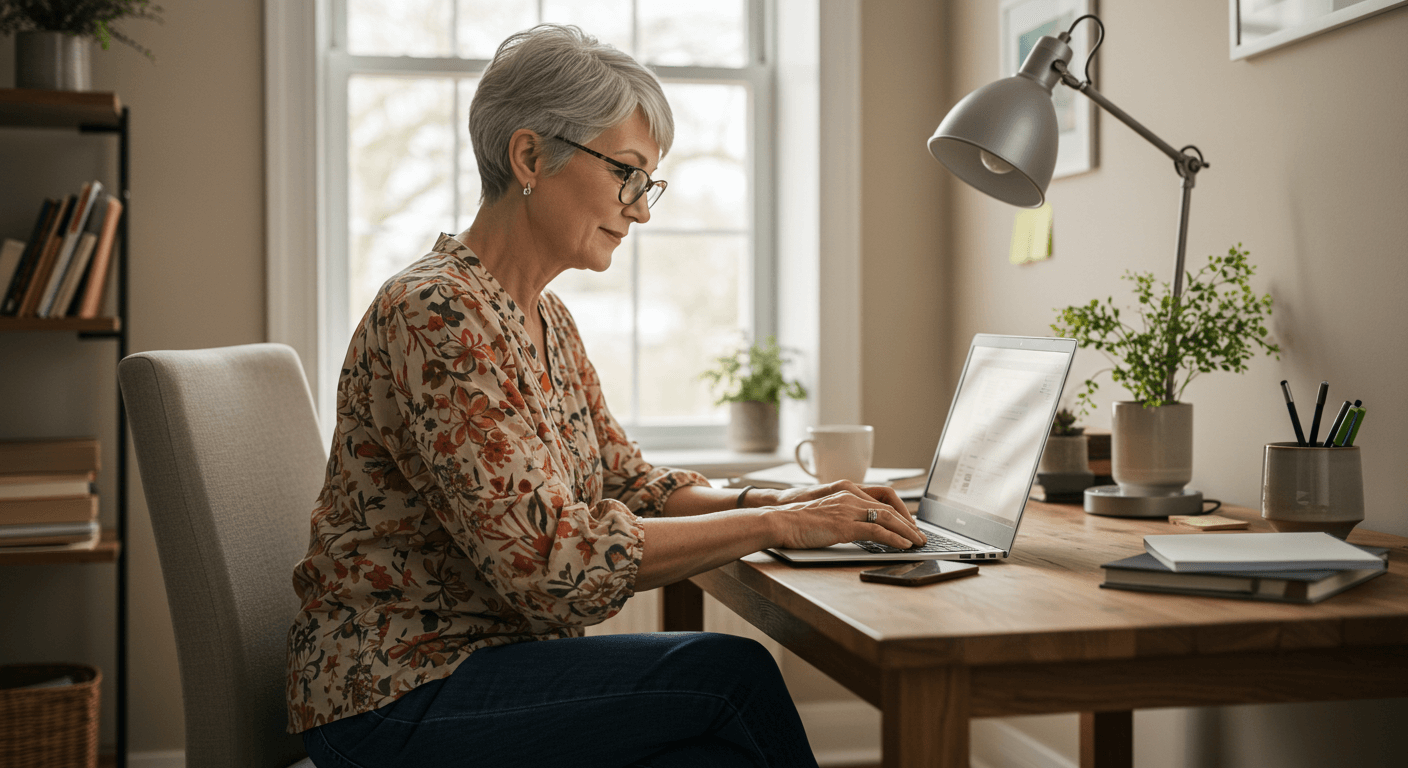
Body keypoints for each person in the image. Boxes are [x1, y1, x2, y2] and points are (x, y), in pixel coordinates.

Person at [286, 24, 925, 768]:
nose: (642, 209)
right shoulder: (435, 313)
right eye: (627, 173)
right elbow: (557, 566)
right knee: (730, 676)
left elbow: (628, 483)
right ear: (530, 156)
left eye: (647, 182)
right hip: (395, 695)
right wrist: (781, 524)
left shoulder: (545, 318)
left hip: (484, 671)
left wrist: (783, 505)